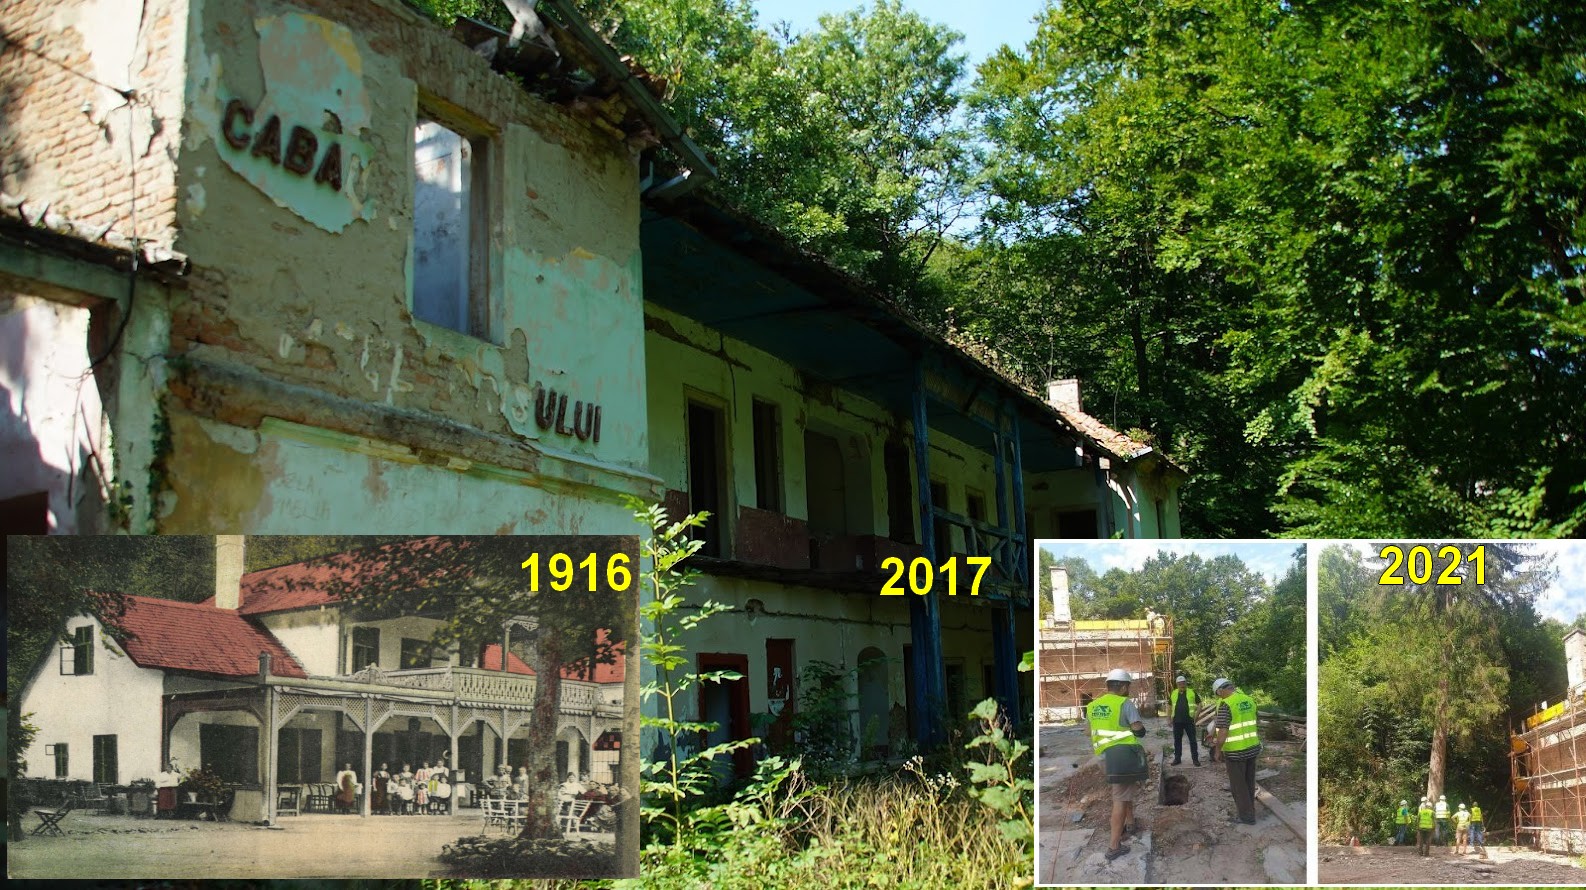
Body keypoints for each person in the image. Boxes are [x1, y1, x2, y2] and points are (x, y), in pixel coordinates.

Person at [1087, 667, 1148, 862]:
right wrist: (1139, 731)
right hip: (1121, 757)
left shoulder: (1093, 705)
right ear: (1122, 686)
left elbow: (1087, 731)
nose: (1128, 689)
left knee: (1123, 791)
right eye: (1128, 686)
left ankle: (1130, 823)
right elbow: (1137, 728)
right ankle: (1114, 846)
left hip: (1102, 758)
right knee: (1120, 798)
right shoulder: (1124, 703)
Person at [1210, 677, 1261, 825]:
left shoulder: (1227, 704)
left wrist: (1218, 750)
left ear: (1220, 691)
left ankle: (1246, 817)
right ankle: (1250, 810)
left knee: (1238, 786)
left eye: (1217, 694)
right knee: (1249, 782)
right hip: (1252, 748)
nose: (1218, 697)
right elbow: (1254, 721)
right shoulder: (1249, 700)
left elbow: (1223, 732)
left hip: (1235, 752)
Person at [1169, 676, 1200, 766]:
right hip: (1177, 721)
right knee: (1177, 741)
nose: (1182, 685)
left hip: (1189, 721)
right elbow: (1170, 706)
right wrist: (1168, 718)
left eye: (1183, 683)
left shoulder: (1192, 692)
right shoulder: (1173, 693)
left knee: (1193, 740)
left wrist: (1196, 716)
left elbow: (1200, 704)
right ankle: (1177, 759)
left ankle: (1195, 759)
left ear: (1186, 683)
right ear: (1177, 684)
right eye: (1179, 683)